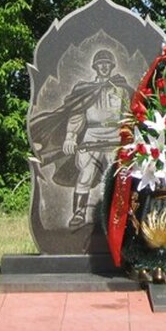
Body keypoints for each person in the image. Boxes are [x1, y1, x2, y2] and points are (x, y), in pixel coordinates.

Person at [57, 49, 131, 229]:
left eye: (107, 63)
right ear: (95, 67)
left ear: (112, 66)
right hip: (92, 136)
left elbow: (128, 115)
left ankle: (120, 216)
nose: (104, 67)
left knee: (118, 177)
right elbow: (77, 115)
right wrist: (70, 136)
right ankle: (79, 213)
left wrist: (129, 138)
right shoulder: (85, 90)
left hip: (114, 136)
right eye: (100, 64)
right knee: (85, 175)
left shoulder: (121, 89)